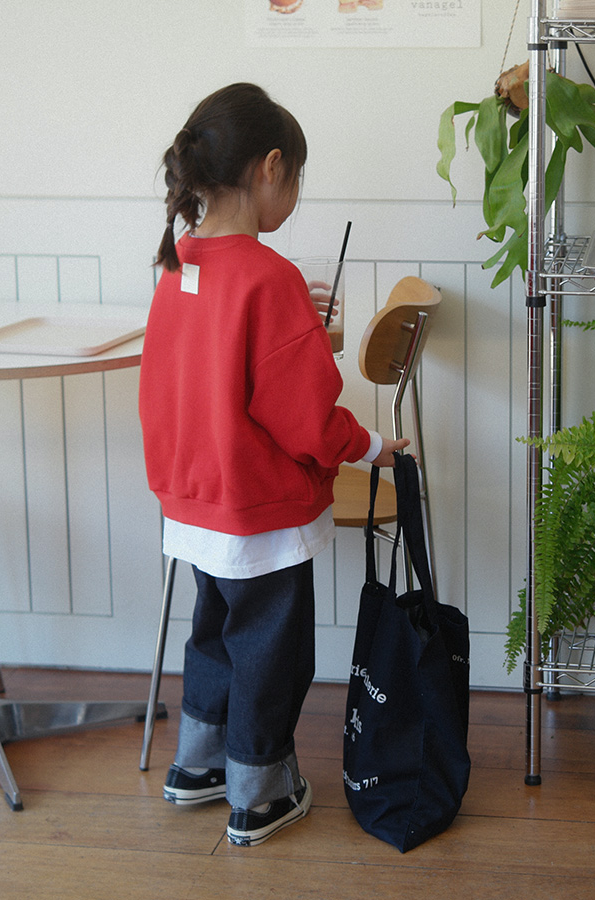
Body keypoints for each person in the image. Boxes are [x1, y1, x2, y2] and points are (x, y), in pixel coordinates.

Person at [138, 82, 408, 847]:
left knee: (214, 633)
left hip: (196, 503)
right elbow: (305, 419)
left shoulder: (179, 264)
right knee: (271, 650)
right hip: (261, 512)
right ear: (271, 167)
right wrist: (370, 446)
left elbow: (198, 374)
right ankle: (259, 793)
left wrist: (296, 324)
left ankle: (197, 765)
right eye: (296, 179)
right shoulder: (270, 278)